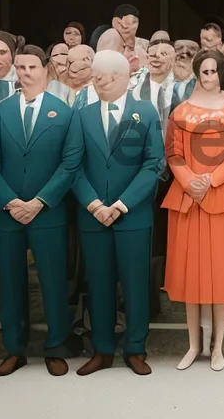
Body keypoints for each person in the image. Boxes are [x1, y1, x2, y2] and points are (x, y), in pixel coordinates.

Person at [0, 44, 79, 377]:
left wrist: (39, 202)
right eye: (20, 68)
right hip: (6, 213)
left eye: (32, 67)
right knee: (9, 283)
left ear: (46, 69)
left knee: (53, 282)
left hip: (47, 212)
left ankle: (55, 347)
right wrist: (9, 202)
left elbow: (69, 164)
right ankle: (14, 349)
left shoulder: (64, 112)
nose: (25, 73)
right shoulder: (0, 111)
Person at [65, 49, 164, 376]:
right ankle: (103, 349)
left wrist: (122, 205)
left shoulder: (146, 112)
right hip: (92, 216)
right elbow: (73, 165)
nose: (95, 81)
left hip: (132, 216)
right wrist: (94, 204)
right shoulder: (82, 114)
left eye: (101, 76)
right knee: (99, 284)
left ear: (122, 77)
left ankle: (136, 348)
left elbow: (153, 164)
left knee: (136, 283)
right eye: (94, 76)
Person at [163, 48, 224, 371]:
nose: (209, 76)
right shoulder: (180, 111)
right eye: (204, 71)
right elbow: (172, 153)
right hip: (187, 197)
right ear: (197, 73)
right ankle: (193, 344)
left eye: (214, 71)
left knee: (221, 274)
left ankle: (218, 346)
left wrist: (210, 180)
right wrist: (190, 182)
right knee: (191, 274)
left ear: (222, 73)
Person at [132, 39, 179, 132]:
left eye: (164, 54)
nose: (156, 57)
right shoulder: (136, 83)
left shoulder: (181, 86)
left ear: (174, 59)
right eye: (152, 54)